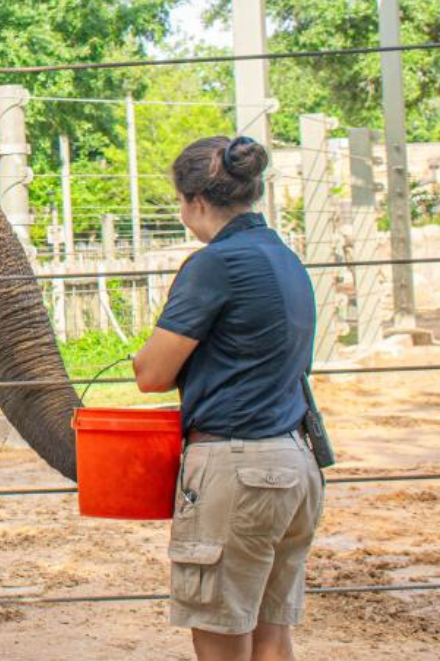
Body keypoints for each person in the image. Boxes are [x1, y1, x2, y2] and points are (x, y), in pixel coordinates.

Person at [131, 135, 323, 661]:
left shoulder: (215, 264)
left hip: (238, 468)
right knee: (272, 634)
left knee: (221, 640)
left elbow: (151, 373)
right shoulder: (284, 258)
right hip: (294, 463)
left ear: (194, 201)